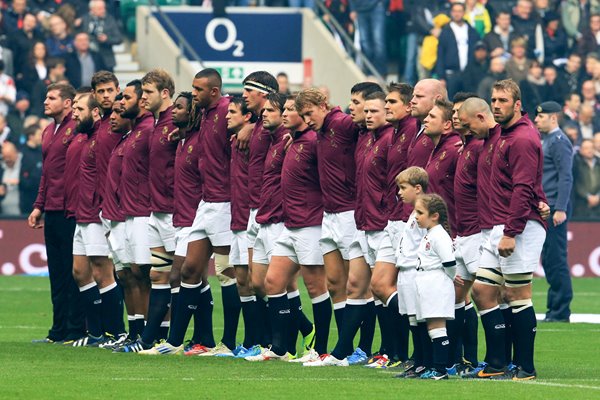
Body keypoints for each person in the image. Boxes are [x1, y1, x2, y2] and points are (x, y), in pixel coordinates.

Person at [143, 69, 232, 356]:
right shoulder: (199, 121)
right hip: (203, 206)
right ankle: (176, 342)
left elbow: (250, 120)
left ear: (214, 91)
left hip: (220, 205)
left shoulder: (226, 109)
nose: (193, 96)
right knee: (189, 271)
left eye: (196, 91)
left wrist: (244, 128)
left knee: (231, 274)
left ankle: (228, 343)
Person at [306, 91, 394, 367]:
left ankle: (374, 348)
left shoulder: (347, 125)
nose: (359, 111)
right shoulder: (362, 135)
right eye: (357, 105)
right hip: (349, 216)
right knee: (342, 285)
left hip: (363, 217)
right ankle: (343, 350)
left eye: (365, 106)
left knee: (375, 287)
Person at [467, 79, 547, 381]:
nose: (497, 105)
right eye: (493, 100)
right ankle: (498, 361)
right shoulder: (499, 133)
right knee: (483, 290)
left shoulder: (523, 138)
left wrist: (511, 231)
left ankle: (525, 367)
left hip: (517, 225)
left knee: (517, 294)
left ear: (517, 104)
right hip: (495, 225)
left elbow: (523, 187)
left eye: (502, 100)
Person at [246, 94, 330, 362]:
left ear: (304, 116)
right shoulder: (290, 141)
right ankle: (280, 349)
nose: (284, 113)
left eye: (291, 110)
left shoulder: (316, 142)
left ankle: (321, 349)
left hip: (310, 224)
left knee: (316, 287)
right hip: (290, 224)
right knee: (272, 282)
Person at [29, 83, 85, 344]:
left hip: (70, 211)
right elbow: (48, 174)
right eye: (45, 97)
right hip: (51, 210)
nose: (45, 102)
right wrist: (39, 205)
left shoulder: (78, 127)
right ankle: (58, 329)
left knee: (74, 273)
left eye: (51, 98)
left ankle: (76, 329)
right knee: (57, 274)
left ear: (68, 102)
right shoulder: (49, 131)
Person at [69, 91, 125, 347]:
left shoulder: (103, 137)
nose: (74, 113)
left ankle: (114, 331)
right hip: (82, 212)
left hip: (95, 212)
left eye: (79, 109)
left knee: (103, 272)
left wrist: (105, 207)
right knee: (80, 272)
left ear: (94, 112)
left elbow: (106, 177)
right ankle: (95, 333)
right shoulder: (87, 138)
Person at [118, 80, 155, 340]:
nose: (121, 102)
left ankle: (154, 334)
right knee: (131, 275)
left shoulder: (150, 129)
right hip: (128, 213)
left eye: (126, 97)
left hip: (144, 212)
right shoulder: (132, 133)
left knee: (146, 275)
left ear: (142, 100)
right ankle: (137, 333)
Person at [535, 101, 574, 323]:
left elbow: (565, 177)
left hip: (553, 209)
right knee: (549, 260)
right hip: (545, 208)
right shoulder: (546, 140)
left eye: (541, 117)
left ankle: (560, 310)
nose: (537, 120)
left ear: (553, 118)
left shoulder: (559, 142)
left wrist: (560, 208)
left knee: (556, 259)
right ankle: (554, 309)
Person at [412, 193, 458, 380]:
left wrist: (449, 279)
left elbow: (449, 263)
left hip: (436, 283)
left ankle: (440, 370)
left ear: (434, 216)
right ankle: (432, 366)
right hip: (425, 282)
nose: (416, 216)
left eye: (420, 212)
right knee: (428, 326)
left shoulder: (439, 235)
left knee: (437, 327)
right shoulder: (429, 234)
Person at [392, 166, 429, 379]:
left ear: (417, 188)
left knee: (420, 319)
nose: (399, 192)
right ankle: (418, 362)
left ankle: (425, 362)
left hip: (416, 271)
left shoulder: (423, 214)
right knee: (412, 319)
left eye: (403, 188)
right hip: (405, 271)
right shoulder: (413, 213)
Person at [435, 2, 480, 98]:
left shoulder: (472, 31)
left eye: (459, 11)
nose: (457, 14)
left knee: (469, 104)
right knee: (451, 104)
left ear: (464, 12)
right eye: (454, 11)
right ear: (451, 12)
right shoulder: (445, 31)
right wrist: (441, 77)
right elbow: (440, 55)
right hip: (451, 75)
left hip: (469, 74)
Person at [78, 0, 123, 71]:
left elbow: (119, 39)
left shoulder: (110, 19)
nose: (103, 10)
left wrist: (107, 39)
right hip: (88, 58)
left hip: (106, 59)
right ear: (92, 9)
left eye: (104, 8)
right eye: (100, 8)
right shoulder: (84, 19)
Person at [572, 139, 600, 218]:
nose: (589, 150)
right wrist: (588, 196)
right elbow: (576, 183)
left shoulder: (599, 162)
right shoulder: (576, 164)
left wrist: (598, 196)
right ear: (580, 150)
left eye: (591, 148)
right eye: (586, 148)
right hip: (581, 204)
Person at [18, 124, 42, 215]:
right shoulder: (22, 152)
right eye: (39, 134)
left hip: (40, 197)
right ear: (31, 136)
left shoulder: (42, 151)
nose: (41, 137)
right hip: (26, 199)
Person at [0, 140, 21, 215]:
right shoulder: (2, 168)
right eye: (5, 157)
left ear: (16, 153)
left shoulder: (24, 165)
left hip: (23, 212)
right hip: (4, 214)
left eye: (9, 156)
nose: (7, 159)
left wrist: (19, 182)